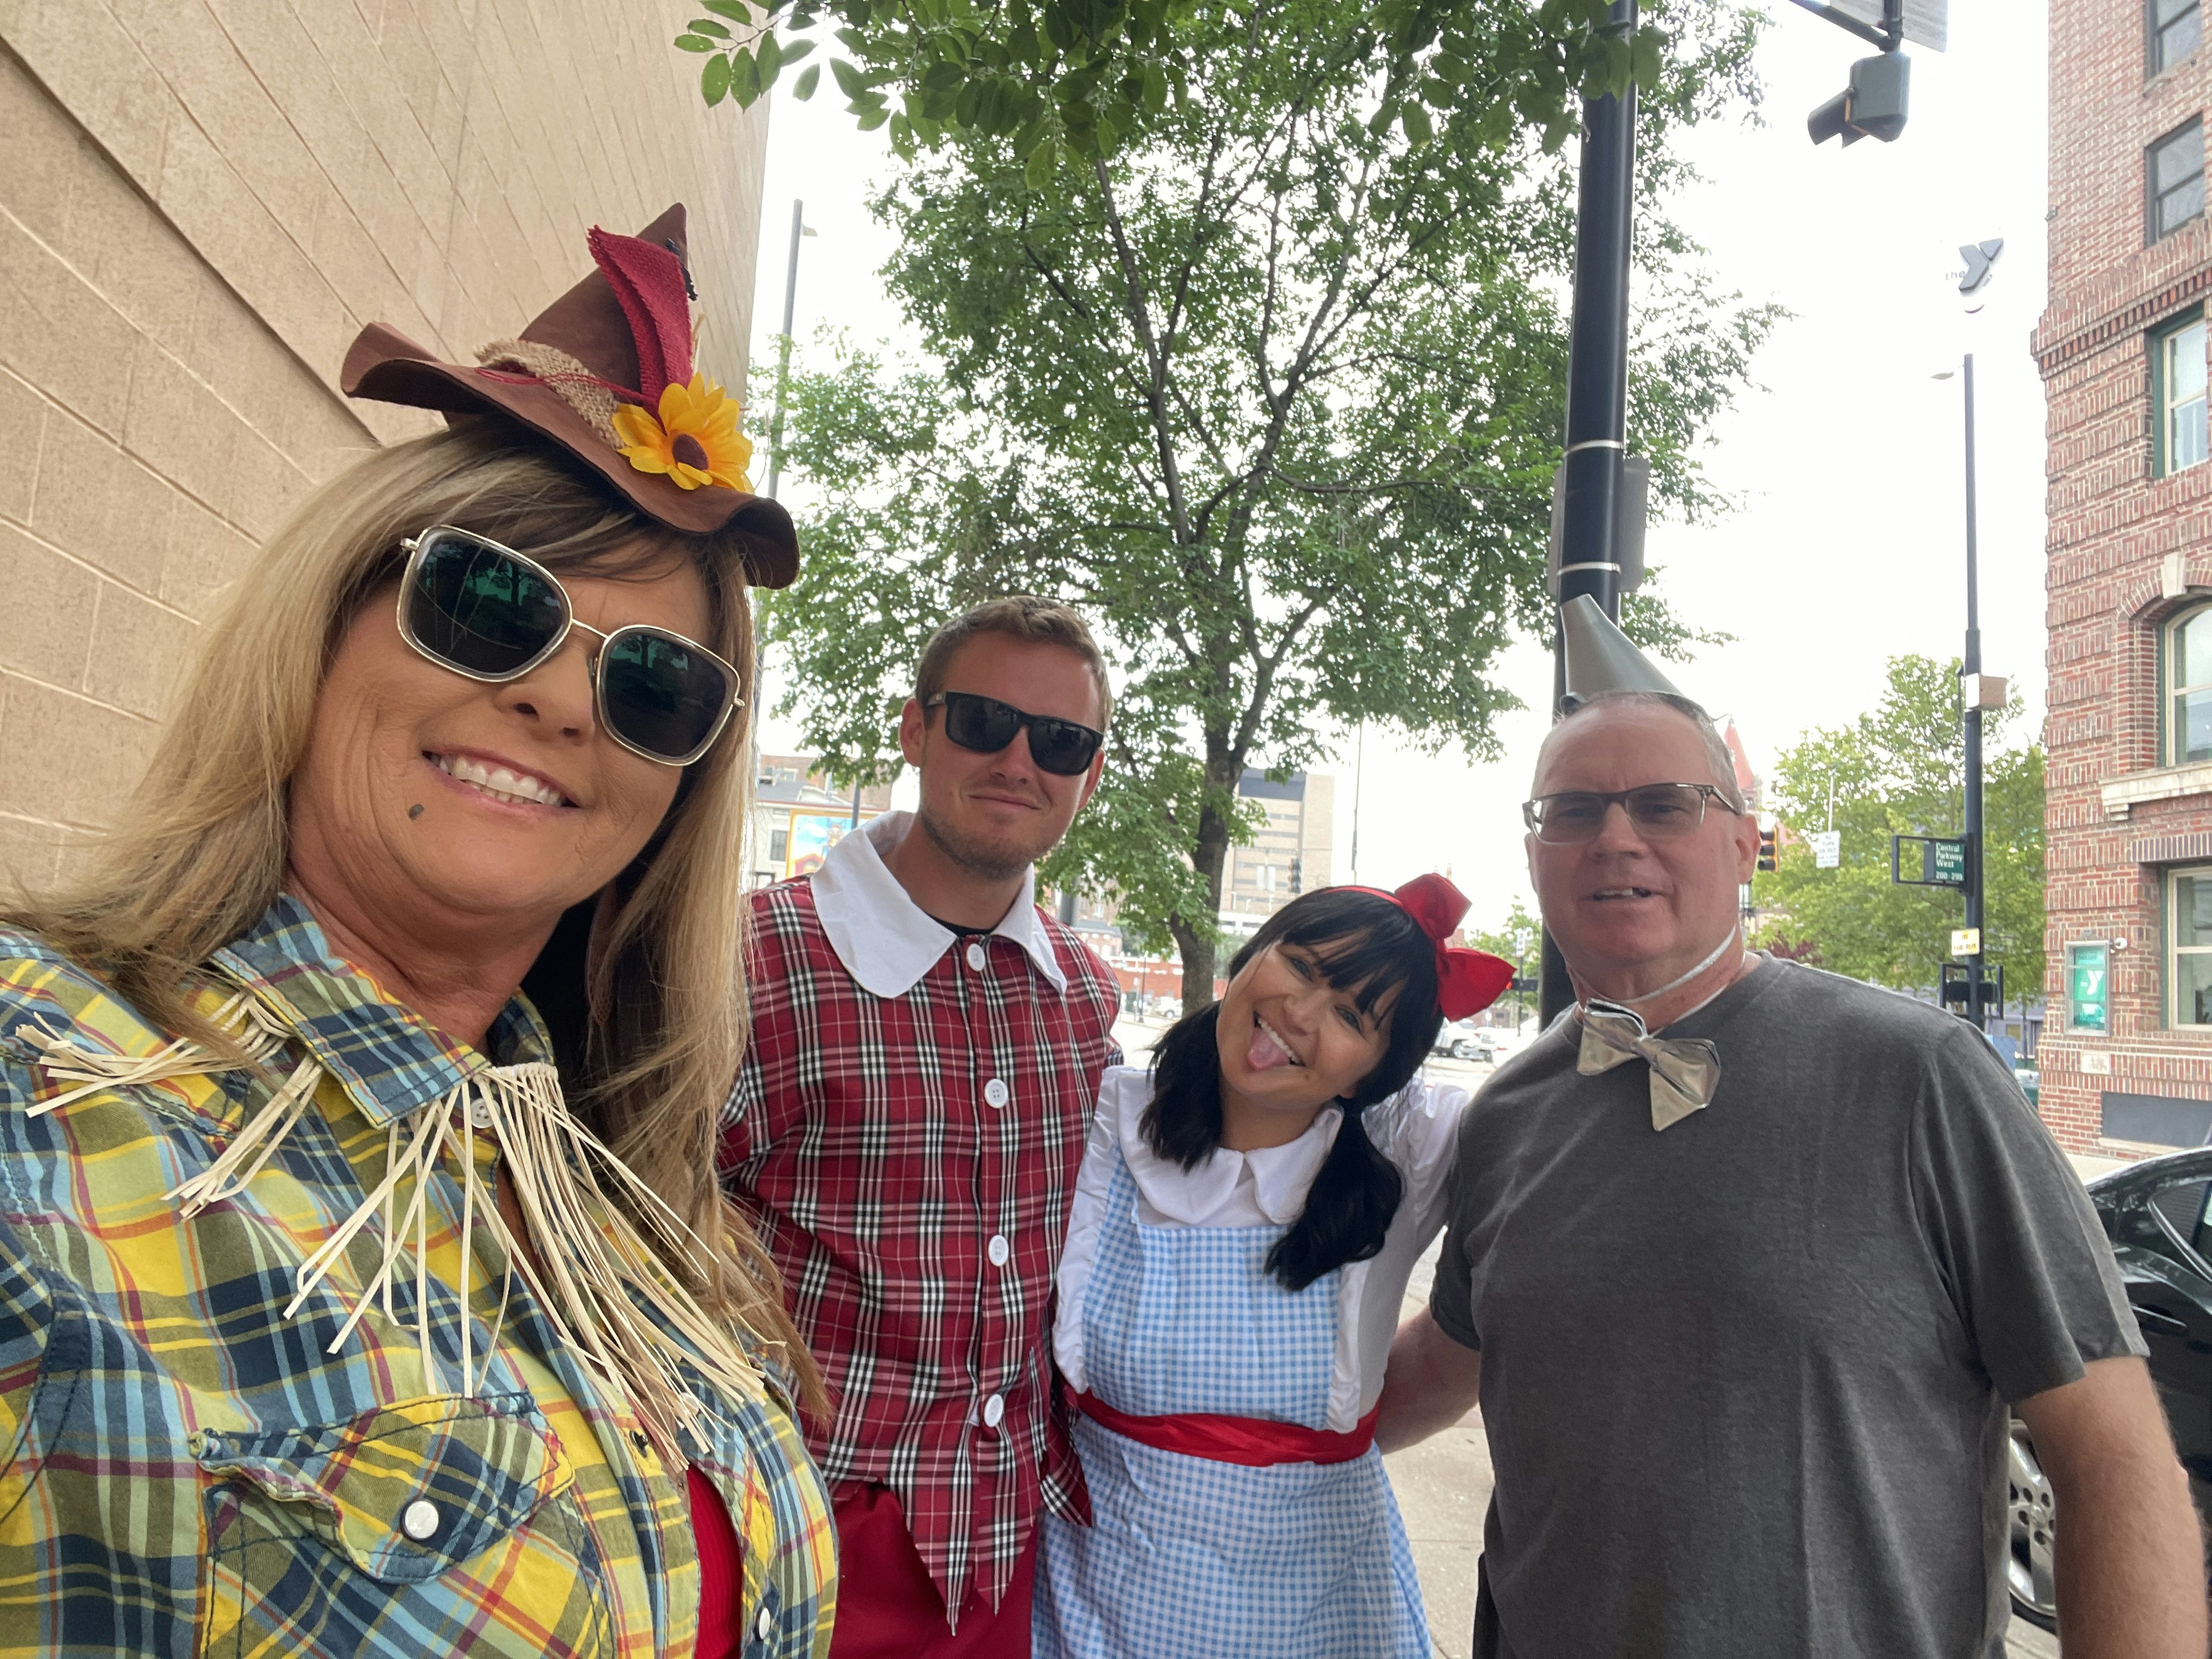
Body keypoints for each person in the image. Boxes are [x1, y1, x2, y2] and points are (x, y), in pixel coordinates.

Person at [0, 207, 836, 1657]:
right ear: (326, 618)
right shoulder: (35, 1096)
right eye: (489, 601)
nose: (563, 702)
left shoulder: (629, 1204)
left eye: (654, 684)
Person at [1377, 596, 2208, 1659]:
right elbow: (1444, 1362)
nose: (1616, 837)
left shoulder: (1923, 1076)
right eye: (1573, 810)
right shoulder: (1509, 1112)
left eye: (1664, 805)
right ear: (1535, 855)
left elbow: (2115, 1459)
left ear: (1743, 845)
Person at [719, 598, 1125, 1657]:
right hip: (790, 1539)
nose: (1019, 762)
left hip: (1005, 1547)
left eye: (1061, 742)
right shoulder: (752, 961)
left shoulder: (1086, 998)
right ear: (915, 728)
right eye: (985, 722)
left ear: (1089, 774)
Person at [1032, 878, 1511, 1658]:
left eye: (1352, 1016)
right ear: (1251, 955)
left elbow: (1561, 1136)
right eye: (1302, 966)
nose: (1300, 1012)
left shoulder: (1409, 1151)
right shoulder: (1100, 1119)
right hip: (1092, 1602)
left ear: (1370, 1076)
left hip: (1319, 1615)